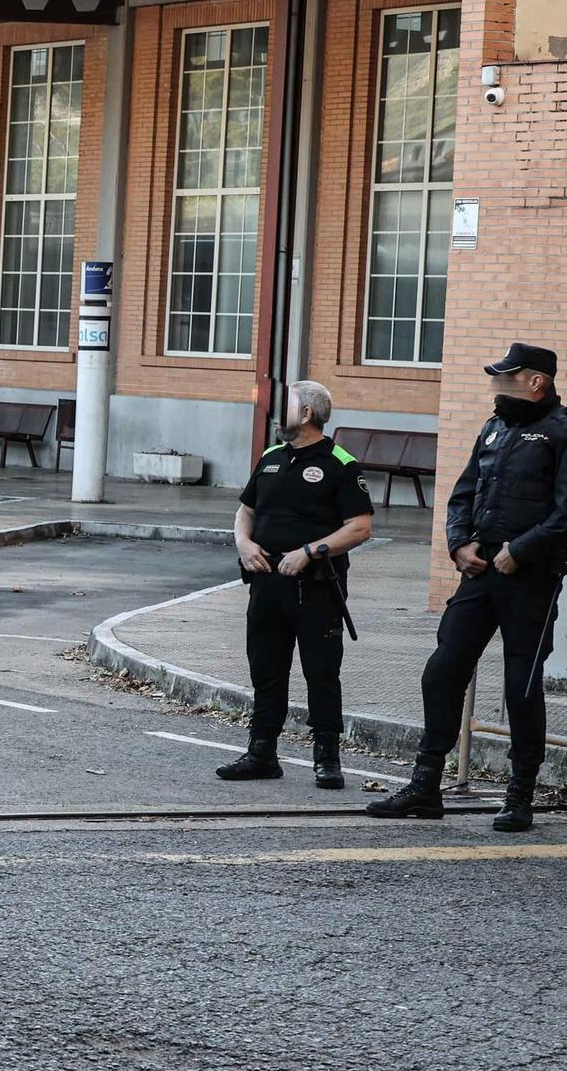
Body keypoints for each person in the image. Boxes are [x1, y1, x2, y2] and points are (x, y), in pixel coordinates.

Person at [369, 343, 567, 831]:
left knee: (521, 687)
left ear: (536, 380)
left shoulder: (562, 432)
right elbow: (461, 493)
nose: (496, 385)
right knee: (442, 671)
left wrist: (519, 550)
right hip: (479, 572)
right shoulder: (494, 427)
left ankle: (519, 794)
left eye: (506, 376)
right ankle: (425, 785)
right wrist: (459, 544)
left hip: (531, 577)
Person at [216, 381, 375, 787]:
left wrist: (309, 550)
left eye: (285, 402)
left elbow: (359, 528)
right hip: (266, 582)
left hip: (317, 587)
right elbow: (245, 511)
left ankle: (327, 757)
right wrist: (244, 543)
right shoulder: (271, 457)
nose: (275, 406)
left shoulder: (340, 463)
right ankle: (262, 753)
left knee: (321, 672)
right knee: (266, 670)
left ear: (306, 414)